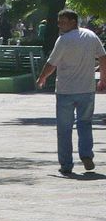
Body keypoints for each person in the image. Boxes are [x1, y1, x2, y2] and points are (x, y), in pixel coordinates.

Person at [36, 9, 106, 175]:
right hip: (87, 90)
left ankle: (66, 165)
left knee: (64, 129)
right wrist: (103, 79)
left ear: (74, 22)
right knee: (85, 124)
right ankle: (86, 155)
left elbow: (51, 63)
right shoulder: (90, 36)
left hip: (65, 91)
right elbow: (103, 57)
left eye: (63, 21)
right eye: (59, 22)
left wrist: (42, 78)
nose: (60, 25)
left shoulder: (63, 40)